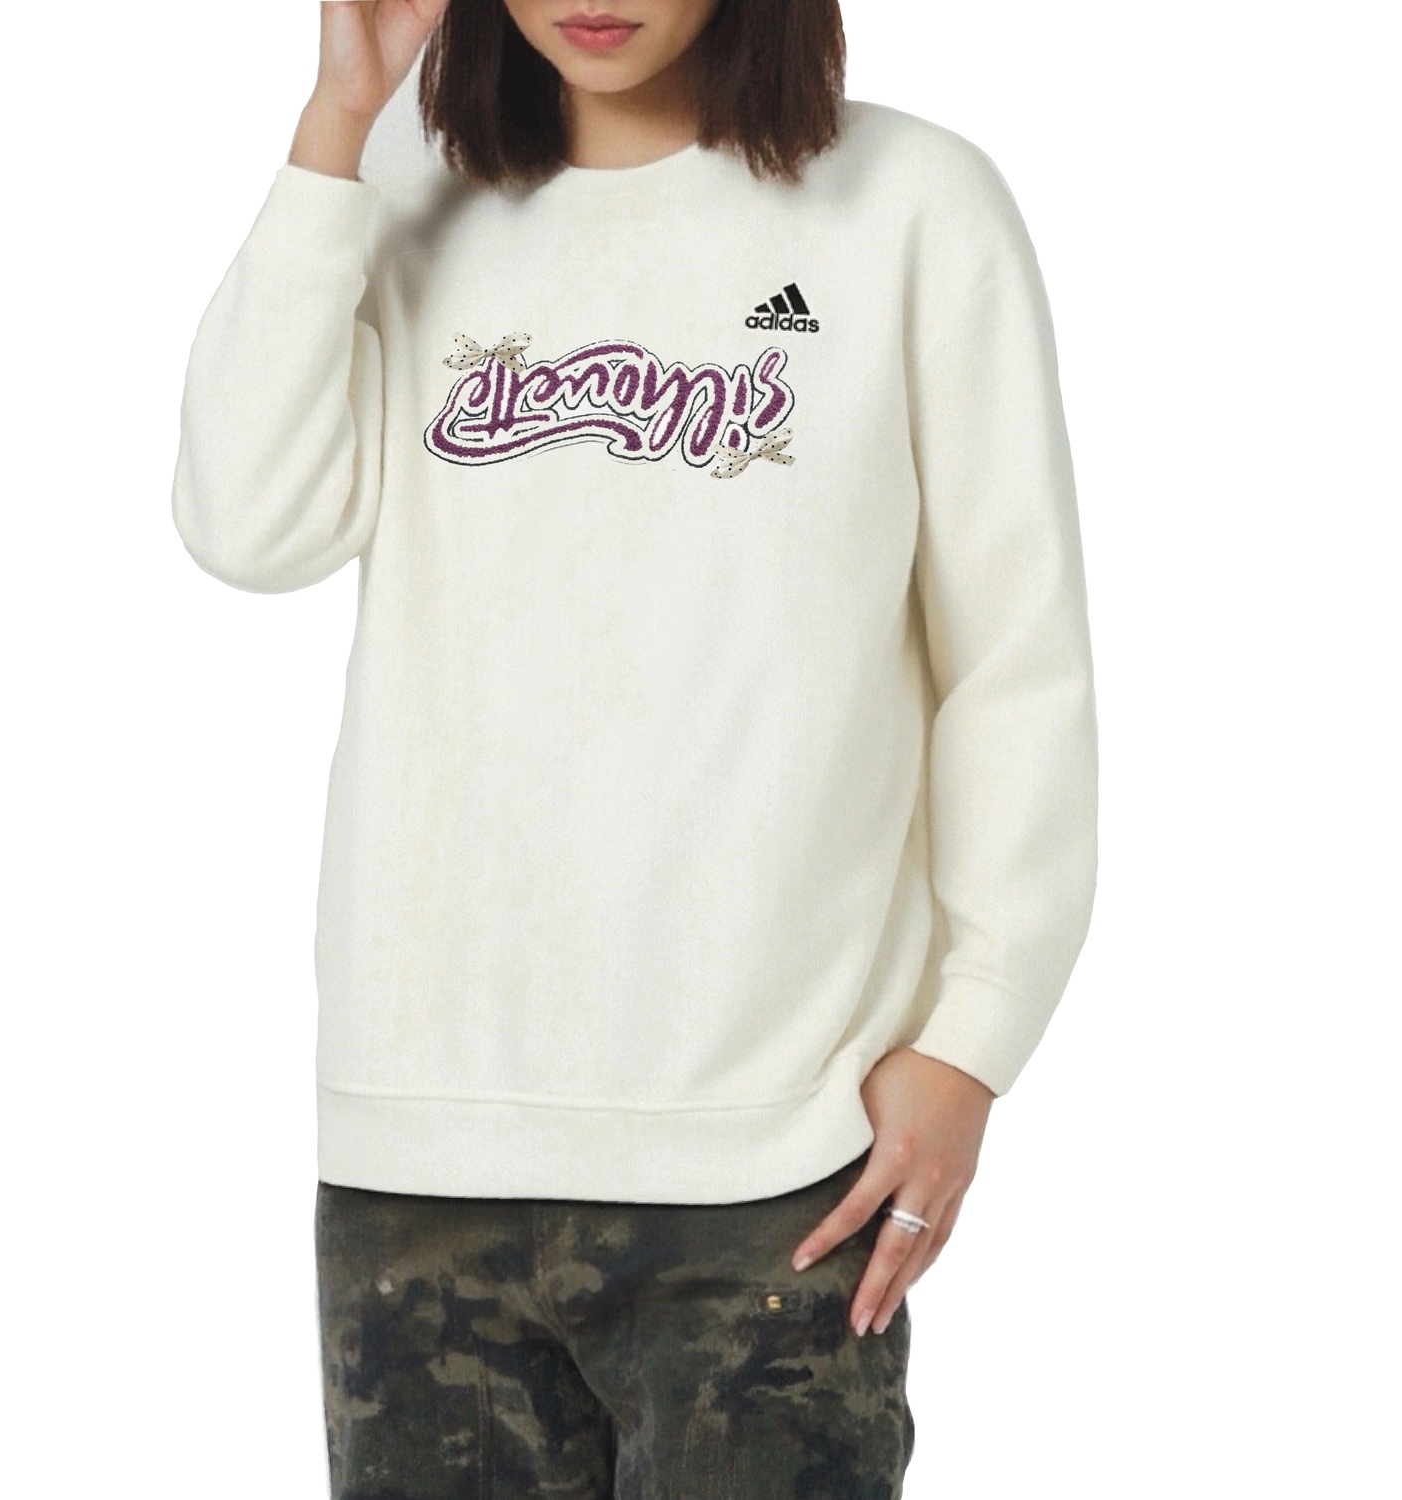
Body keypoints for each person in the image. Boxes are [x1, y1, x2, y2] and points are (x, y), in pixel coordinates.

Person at [170, 0, 1098, 1494]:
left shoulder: (916, 206)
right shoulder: (396, 197)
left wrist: (972, 1044)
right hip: (426, 1161)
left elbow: (1014, 660)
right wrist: (338, 124)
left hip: (777, 1161)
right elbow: (248, 521)